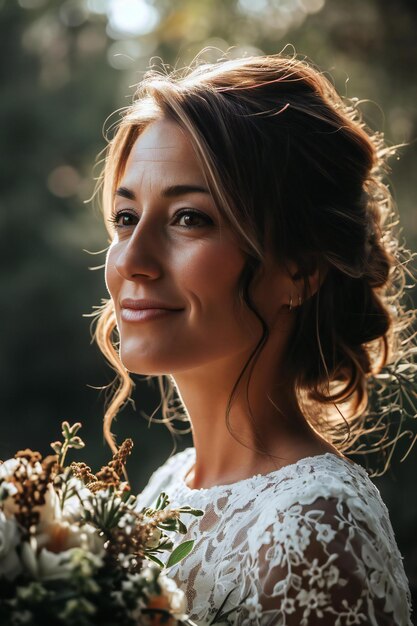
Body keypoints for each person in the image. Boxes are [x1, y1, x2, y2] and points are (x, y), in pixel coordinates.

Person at [92, 52, 415, 625]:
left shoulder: (313, 527)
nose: (133, 260)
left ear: (298, 269)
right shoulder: (169, 487)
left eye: (189, 218)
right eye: (125, 217)